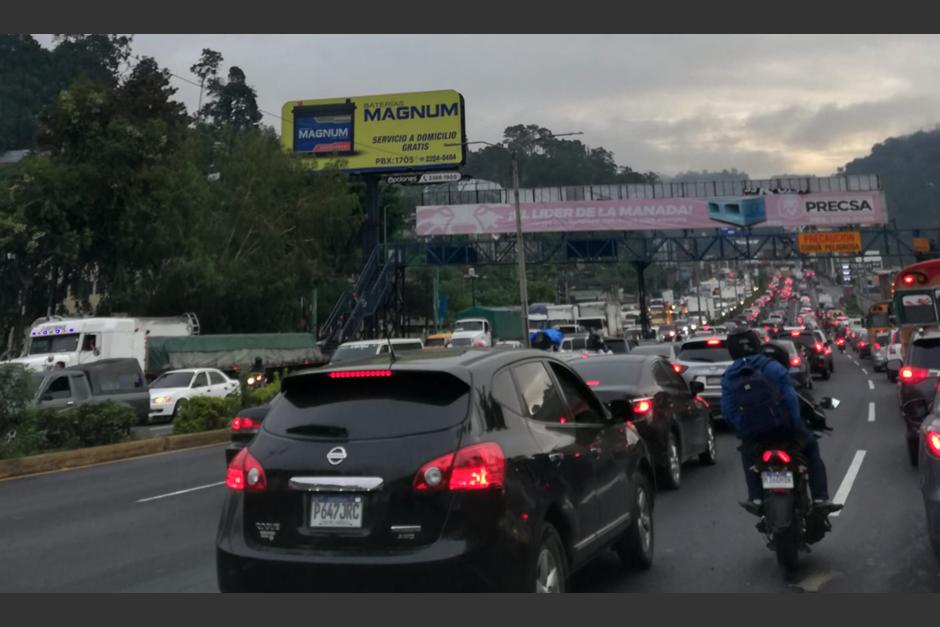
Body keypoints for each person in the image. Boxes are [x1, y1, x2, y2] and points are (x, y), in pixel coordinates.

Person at [720, 325, 840, 515]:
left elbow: (728, 410)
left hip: (755, 435)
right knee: (811, 449)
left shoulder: (729, 376)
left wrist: (745, 430)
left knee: (748, 455)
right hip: (785, 430)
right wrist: (793, 424)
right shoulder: (772, 367)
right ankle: (820, 498)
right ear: (756, 343)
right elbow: (791, 398)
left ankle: (756, 498)